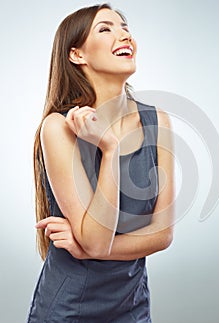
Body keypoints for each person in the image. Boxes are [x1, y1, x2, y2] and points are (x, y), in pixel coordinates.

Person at [27, 3, 175, 322]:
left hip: (132, 307)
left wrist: (90, 249)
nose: (123, 35)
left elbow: (162, 234)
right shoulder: (58, 128)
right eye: (105, 29)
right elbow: (96, 237)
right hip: (68, 308)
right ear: (76, 54)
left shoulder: (157, 120)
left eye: (125, 27)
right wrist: (109, 149)